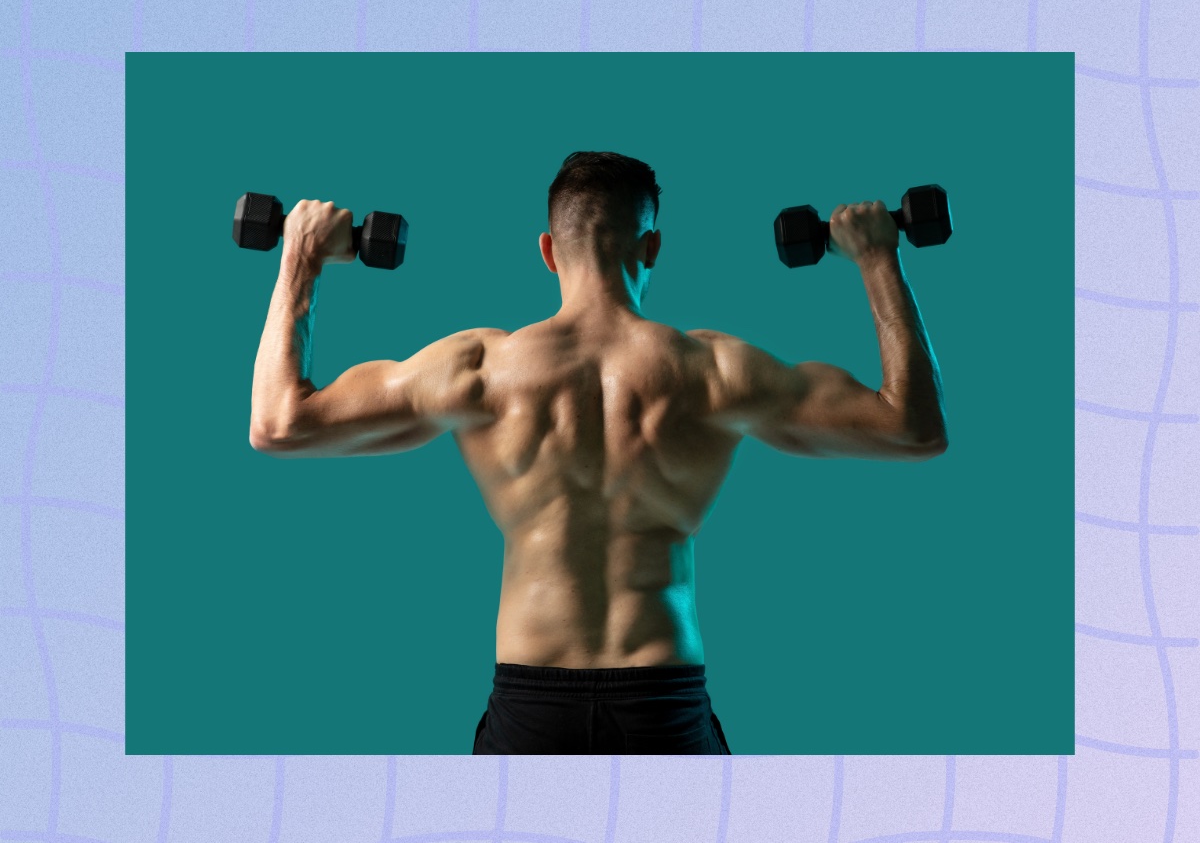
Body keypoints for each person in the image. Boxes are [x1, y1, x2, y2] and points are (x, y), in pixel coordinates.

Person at [248, 151, 949, 755]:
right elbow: (911, 425)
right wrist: (878, 257)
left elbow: (280, 422)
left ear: (549, 249)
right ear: (652, 248)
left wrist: (302, 259)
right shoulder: (715, 371)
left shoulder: (479, 368)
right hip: (662, 697)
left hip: (530, 697)